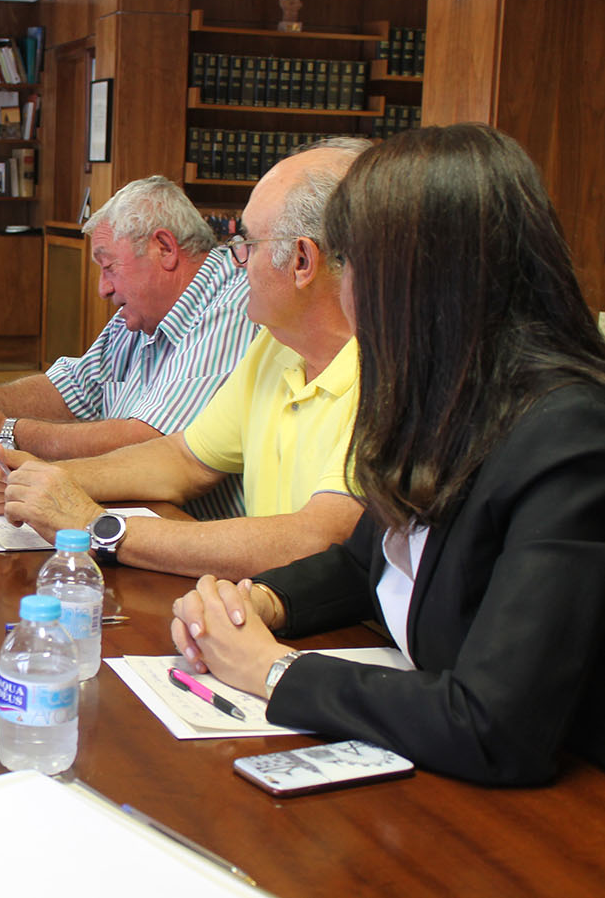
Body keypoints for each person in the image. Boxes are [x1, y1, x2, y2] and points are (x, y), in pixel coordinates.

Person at [169, 123, 605, 785]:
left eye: (350, 264)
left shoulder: (568, 436)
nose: (343, 290)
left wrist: (270, 669)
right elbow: (361, 562)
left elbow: (494, 724)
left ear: (419, 280)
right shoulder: (446, 393)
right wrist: (257, 603)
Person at [0, 140, 368, 579]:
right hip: (262, 605)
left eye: (247, 245)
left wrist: (94, 526)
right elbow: (184, 459)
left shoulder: (388, 375)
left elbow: (315, 539)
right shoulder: (276, 347)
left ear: (301, 261)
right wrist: (45, 478)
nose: (236, 262)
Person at [0, 176, 256, 520]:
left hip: (197, 535)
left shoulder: (230, 307)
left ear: (164, 248)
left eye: (109, 267)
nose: (103, 288)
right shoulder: (143, 311)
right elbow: (72, 387)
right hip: (131, 510)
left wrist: (0, 430)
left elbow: (149, 444)